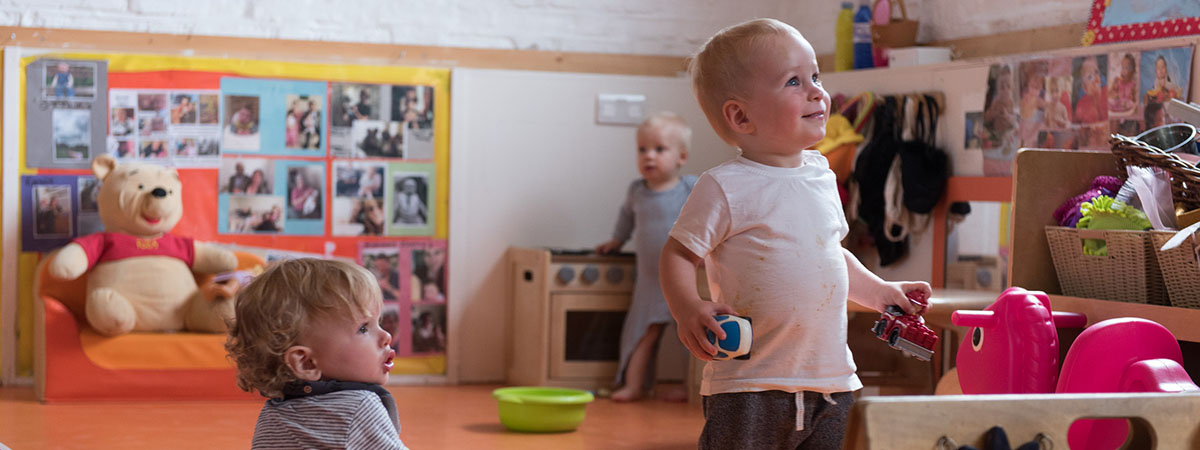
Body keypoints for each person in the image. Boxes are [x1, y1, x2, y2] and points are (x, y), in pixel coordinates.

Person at [661, 19, 931, 449]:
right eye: (793, 81)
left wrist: (880, 292)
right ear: (741, 116)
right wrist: (687, 308)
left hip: (831, 381)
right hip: (750, 384)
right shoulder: (724, 186)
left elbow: (828, 254)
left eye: (815, 76)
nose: (816, 92)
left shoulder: (821, 175)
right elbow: (678, 255)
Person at [225, 258, 407, 449]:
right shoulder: (360, 406)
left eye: (378, 322)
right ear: (306, 363)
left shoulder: (271, 415)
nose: (386, 336)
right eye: (363, 328)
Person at [593, 112, 697, 403]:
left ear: (681, 156)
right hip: (650, 280)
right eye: (642, 149)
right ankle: (634, 385)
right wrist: (616, 240)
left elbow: (708, 218)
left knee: (689, 336)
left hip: (683, 277)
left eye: (659, 149)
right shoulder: (637, 191)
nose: (649, 155)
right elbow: (626, 219)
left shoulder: (689, 187)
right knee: (642, 334)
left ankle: (689, 386)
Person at [1072, 56, 1108, 124]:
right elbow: (1075, 124)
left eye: (1096, 72)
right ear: (1085, 88)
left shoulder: (1107, 92)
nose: (1095, 77)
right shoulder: (1081, 105)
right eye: (1089, 77)